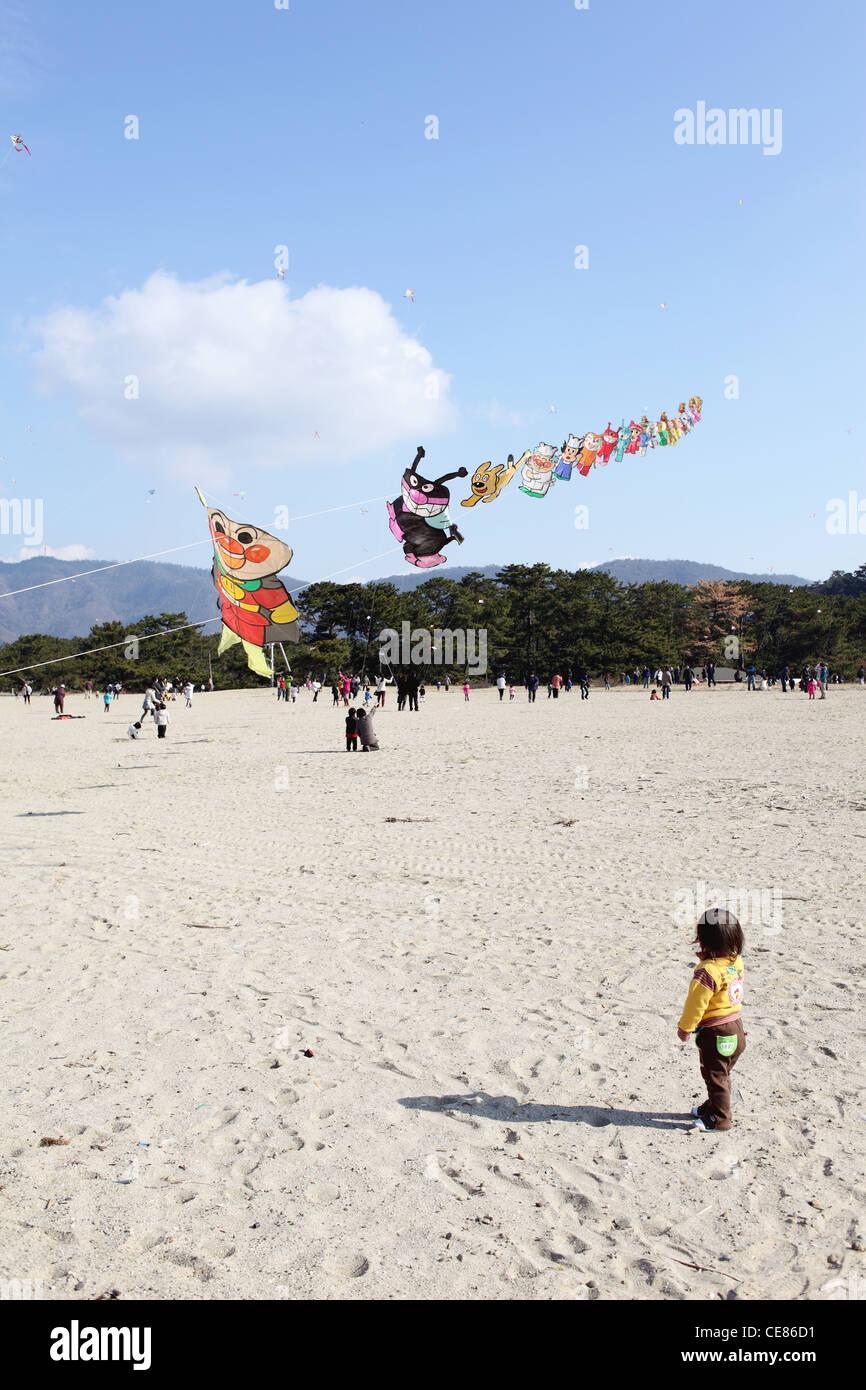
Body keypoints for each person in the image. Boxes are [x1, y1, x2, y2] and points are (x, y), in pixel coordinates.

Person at [677, 908, 746, 1132]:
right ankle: (714, 1105)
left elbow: (696, 1004)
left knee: (714, 1075)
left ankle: (720, 1118)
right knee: (721, 1073)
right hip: (736, 1028)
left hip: (716, 1033)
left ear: (703, 941)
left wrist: (685, 1028)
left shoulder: (707, 972)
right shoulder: (735, 963)